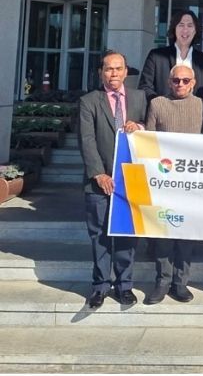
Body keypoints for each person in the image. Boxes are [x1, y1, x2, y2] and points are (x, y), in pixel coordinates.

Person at [78, 50, 147, 308]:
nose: (113, 73)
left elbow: (150, 127)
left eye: (118, 68)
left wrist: (139, 127)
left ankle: (124, 285)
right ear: (101, 72)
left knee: (127, 233)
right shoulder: (89, 101)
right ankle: (100, 286)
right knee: (99, 235)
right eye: (108, 69)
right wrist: (98, 173)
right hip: (99, 181)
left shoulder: (140, 97)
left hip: (131, 178)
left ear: (126, 72)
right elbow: (86, 140)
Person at [143, 65, 203, 305]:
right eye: (176, 80)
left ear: (193, 82)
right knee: (163, 235)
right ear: (169, 82)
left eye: (185, 80)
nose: (180, 84)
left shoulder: (201, 105)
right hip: (164, 179)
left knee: (186, 235)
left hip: (191, 182)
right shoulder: (157, 104)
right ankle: (162, 281)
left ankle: (181, 282)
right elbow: (148, 140)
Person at [138, 10, 203, 101]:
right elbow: (145, 86)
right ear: (174, 29)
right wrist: (159, 104)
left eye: (190, 26)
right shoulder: (156, 56)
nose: (185, 30)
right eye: (181, 25)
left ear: (195, 31)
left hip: (194, 109)